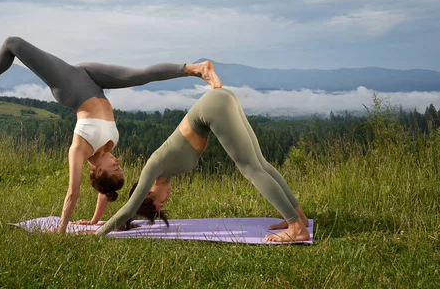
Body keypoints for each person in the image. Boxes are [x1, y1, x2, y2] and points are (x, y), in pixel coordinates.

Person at [0, 36, 222, 233]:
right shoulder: (107, 148)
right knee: (140, 76)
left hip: (70, 85)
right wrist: (95, 221)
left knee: (12, 43)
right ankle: (197, 68)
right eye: (120, 166)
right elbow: (105, 191)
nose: (117, 161)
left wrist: (61, 229)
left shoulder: (79, 150)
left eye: (115, 168)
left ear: (100, 171)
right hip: (92, 77)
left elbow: (73, 193)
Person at [95, 88, 309, 243]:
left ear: (149, 193)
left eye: (160, 204)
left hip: (214, 107)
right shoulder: (164, 174)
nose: (167, 200)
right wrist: (119, 223)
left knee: (249, 167)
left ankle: (296, 227)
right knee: (260, 163)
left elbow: (129, 207)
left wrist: (98, 233)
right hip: (219, 100)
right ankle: (299, 217)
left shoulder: (153, 168)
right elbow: (131, 213)